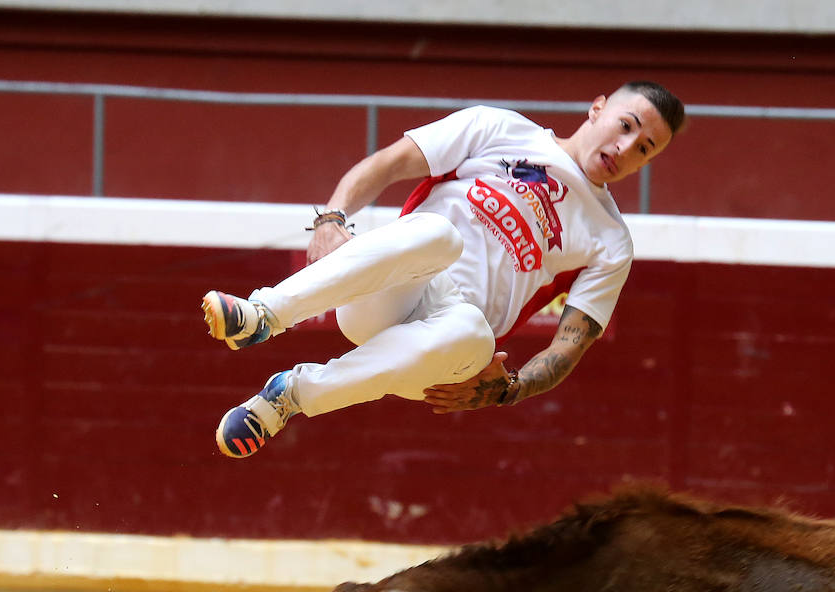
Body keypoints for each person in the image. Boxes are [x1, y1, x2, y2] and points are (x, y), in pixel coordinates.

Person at [202, 81, 684, 458]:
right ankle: (263, 314)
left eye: (645, 148)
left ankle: (285, 398)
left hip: (445, 351)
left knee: (475, 331)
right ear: (598, 107)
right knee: (438, 234)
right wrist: (330, 219)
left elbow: (568, 346)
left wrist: (508, 390)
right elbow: (389, 163)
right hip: (392, 293)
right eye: (627, 125)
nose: (627, 148)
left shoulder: (611, 240)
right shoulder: (499, 127)